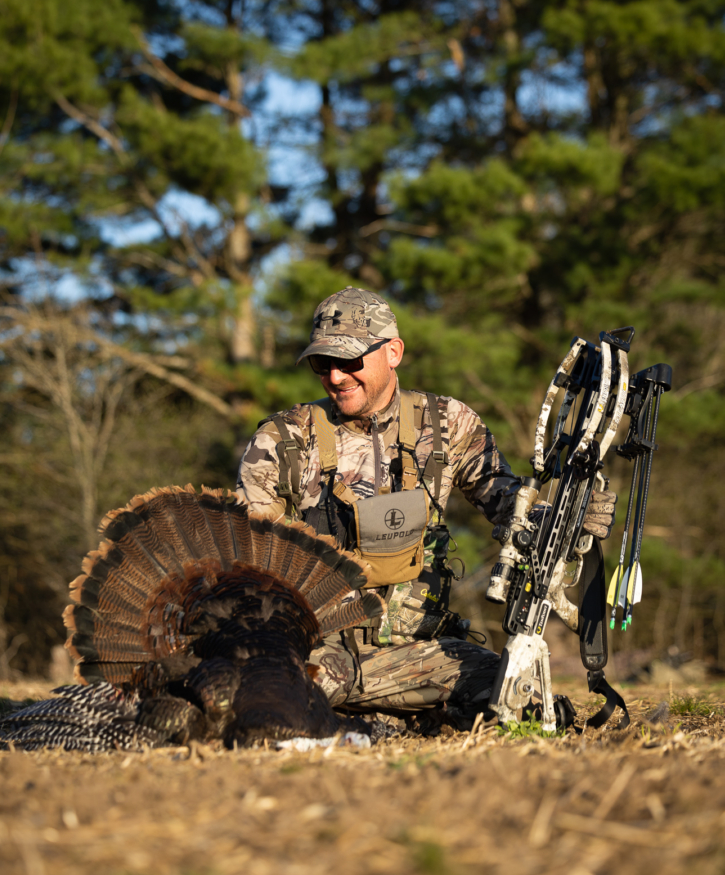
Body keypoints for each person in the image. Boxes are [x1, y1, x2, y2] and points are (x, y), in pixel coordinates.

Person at [237, 287, 616, 728]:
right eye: (324, 364)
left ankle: (384, 718)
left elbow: (511, 507)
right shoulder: (282, 439)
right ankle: (371, 720)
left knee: (522, 699)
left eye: (350, 361)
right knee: (263, 704)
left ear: (393, 351)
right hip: (314, 654)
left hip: (416, 655)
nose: (336, 377)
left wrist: (567, 519)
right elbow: (250, 566)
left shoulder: (448, 423)